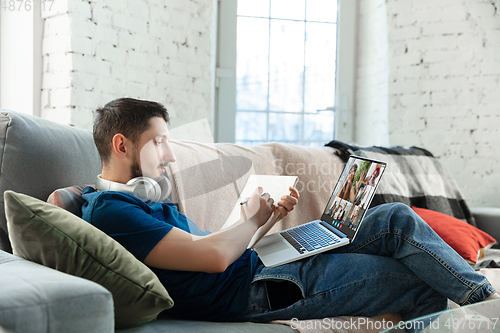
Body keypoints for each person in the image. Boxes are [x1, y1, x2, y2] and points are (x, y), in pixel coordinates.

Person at [81, 98, 498, 325]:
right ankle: (487, 306)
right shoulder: (112, 211)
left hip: (262, 263)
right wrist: (251, 218)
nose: (170, 154)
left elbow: (210, 248)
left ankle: (485, 298)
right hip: (258, 289)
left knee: (395, 218)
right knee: (420, 279)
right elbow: (212, 258)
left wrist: (264, 219)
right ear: (122, 145)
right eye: (159, 142)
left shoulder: (144, 200)